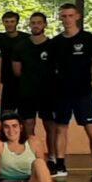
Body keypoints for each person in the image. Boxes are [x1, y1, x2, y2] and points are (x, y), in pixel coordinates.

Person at [50, 3, 92, 182]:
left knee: (91, 129)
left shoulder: (89, 38)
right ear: (60, 18)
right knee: (60, 128)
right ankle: (60, 165)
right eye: (64, 16)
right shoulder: (56, 42)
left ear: (77, 16)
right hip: (62, 93)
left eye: (70, 15)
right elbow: (53, 68)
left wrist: (81, 79)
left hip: (83, 93)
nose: (67, 19)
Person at [15, 13, 55, 170]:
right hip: (27, 92)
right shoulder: (21, 46)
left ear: (45, 25)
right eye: (33, 23)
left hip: (48, 93)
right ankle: (31, 156)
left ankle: (52, 158)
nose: (36, 25)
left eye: (39, 22)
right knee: (28, 125)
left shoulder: (52, 46)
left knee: (50, 126)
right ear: (29, 25)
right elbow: (17, 70)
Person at [0, 11, 28, 112]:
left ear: (17, 22)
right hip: (8, 80)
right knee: (6, 112)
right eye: (7, 21)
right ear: (3, 22)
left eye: (12, 21)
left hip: (24, 81)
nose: (9, 24)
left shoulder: (26, 38)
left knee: (25, 114)